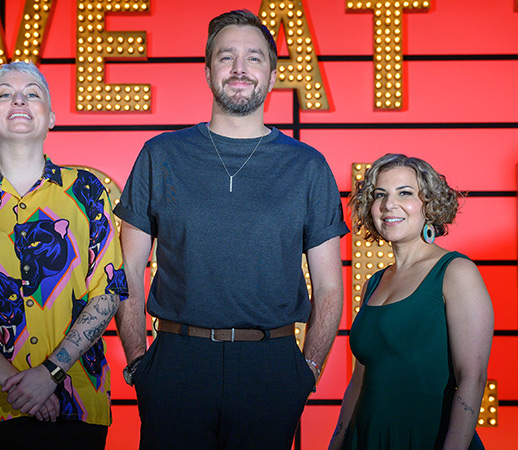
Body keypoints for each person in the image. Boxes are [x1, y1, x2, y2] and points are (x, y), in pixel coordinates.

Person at [113, 9, 348, 449]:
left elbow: (330, 288)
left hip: (271, 366)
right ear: (207, 71)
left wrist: (308, 370)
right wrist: (138, 363)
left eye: (254, 58)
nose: (240, 68)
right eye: (227, 57)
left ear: (273, 75)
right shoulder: (161, 154)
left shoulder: (307, 166)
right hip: (177, 363)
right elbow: (127, 270)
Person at [0, 61, 127, 449]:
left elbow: (108, 292)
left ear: (51, 117)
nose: (19, 100)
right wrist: (13, 382)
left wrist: (49, 373)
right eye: (5, 94)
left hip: (77, 403)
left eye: (32, 93)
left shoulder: (86, 190)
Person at [329, 154, 493, 449]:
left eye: (404, 193)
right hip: (365, 439)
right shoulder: (373, 284)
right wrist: (337, 442)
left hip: (426, 439)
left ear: (428, 204)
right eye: (380, 195)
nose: (389, 204)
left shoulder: (455, 271)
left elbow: (473, 376)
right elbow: (360, 379)